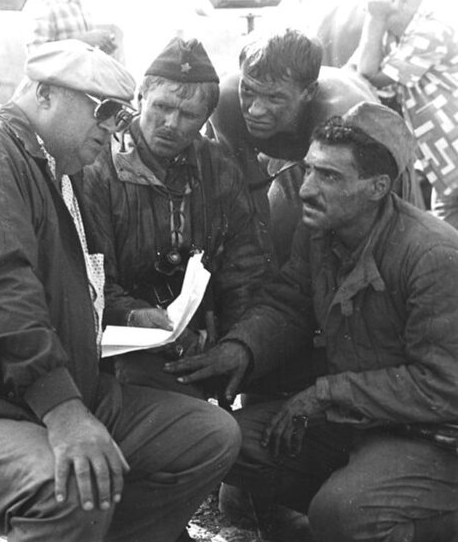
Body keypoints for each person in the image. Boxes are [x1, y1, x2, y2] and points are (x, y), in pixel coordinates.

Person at [0, 39, 241, 542]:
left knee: (209, 436)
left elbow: (65, 292)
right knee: (68, 492)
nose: (113, 125)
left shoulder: (56, 170)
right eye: (102, 109)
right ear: (44, 95)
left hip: (41, 388)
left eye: (120, 113)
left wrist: (121, 322)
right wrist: (64, 413)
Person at [165, 102, 458, 542]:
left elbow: (443, 386)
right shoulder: (322, 230)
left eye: (330, 176)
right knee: (222, 442)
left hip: (432, 439)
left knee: (344, 513)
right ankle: (354, 508)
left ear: (378, 187)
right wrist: (239, 350)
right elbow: (289, 304)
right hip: (357, 420)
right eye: (309, 170)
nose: (306, 189)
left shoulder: (433, 256)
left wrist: (326, 395)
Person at [82, 37, 266, 400]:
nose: (171, 123)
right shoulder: (98, 166)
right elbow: (89, 277)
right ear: (140, 99)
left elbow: (245, 270)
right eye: (162, 107)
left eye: (189, 116)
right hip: (116, 352)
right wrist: (136, 317)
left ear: (205, 119)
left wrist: (235, 344)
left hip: (202, 345)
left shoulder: (219, 166)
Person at [209, 28, 405, 269]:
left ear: (308, 92)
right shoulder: (226, 101)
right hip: (297, 153)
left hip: (367, 161)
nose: (254, 110)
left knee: (369, 252)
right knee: (269, 239)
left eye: (274, 98)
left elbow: (362, 202)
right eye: (248, 90)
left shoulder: (340, 115)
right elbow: (244, 191)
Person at [355, 0, 458, 228]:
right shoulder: (396, 37)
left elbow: (369, 73)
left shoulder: (431, 31)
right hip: (445, 166)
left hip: (452, 157)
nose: (370, 5)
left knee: (445, 231)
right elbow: (357, 71)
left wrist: (374, 18)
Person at [26, 0, 121, 59]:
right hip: (61, 74)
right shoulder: (45, 4)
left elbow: (84, 54)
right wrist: (83, 40)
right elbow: (36, 55)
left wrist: (101, 48)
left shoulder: (84, 3)